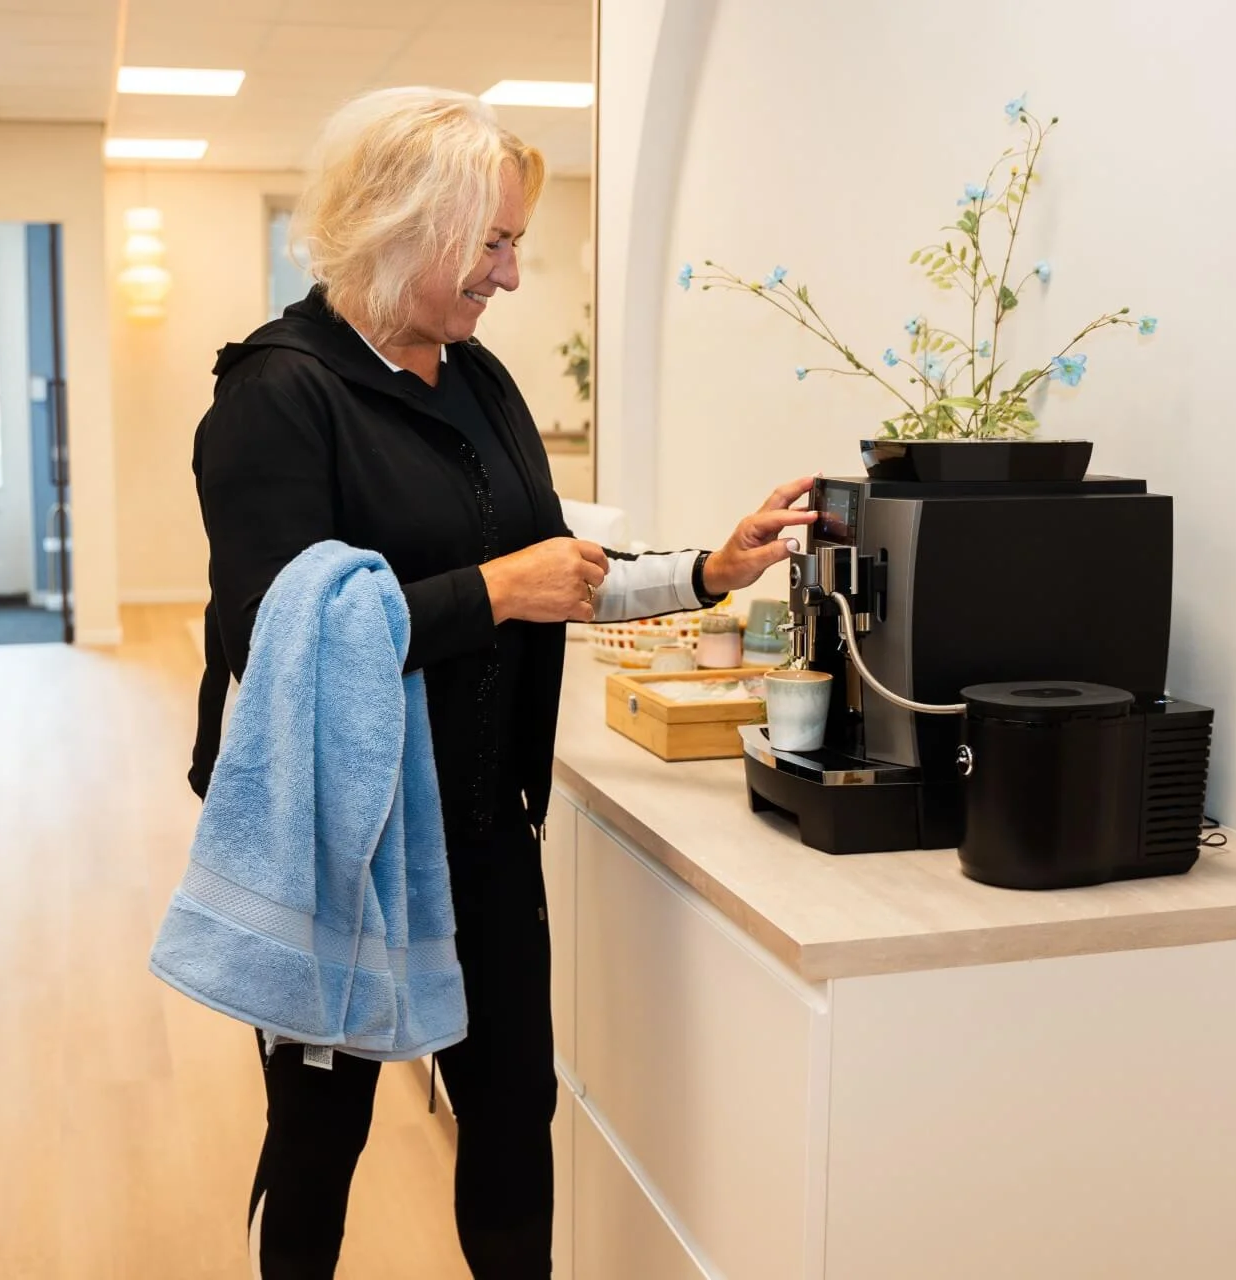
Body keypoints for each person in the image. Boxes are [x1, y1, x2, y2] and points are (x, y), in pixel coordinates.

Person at [189, 86, 816, 1279]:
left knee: (513, 1114)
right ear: (404, 226)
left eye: (514, 241)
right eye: (496, 242)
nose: (513, 275)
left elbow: (552, 563)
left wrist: (705, 570)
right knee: (322, 1137)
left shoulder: (476, 377)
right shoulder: (278, 394)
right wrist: (492, 592)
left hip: (481, 830)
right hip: (347, 843)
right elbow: (272, 636)